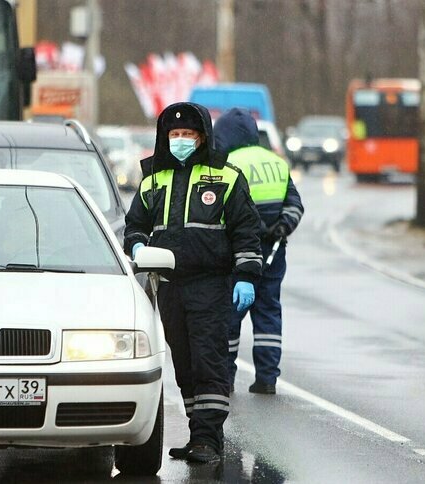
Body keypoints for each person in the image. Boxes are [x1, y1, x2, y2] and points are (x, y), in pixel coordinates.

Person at [124, 102, 264, 464]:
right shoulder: (153, 179)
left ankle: (208, 440)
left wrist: (246, 276)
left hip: (210, 285)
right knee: (183, 364)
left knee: (209, 361)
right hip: (169, 286)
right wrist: (138, 243)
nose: (181, 140)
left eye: (188, 134)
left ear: (202, 137)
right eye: (175, 134)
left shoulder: (226, 177)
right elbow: (135, 224)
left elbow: (247, 231)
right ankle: (197, 433)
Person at [213, 108, 304, 395]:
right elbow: (295, 205)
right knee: (268, 314)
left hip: (238, 254)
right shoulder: (276, 163)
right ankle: (267, 378)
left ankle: (225, 378)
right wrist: (281, 227)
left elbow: (220, 211)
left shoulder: (226, 164)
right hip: (274, 252)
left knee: (230, 314)